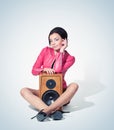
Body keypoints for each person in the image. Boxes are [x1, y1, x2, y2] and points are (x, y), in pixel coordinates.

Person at [20, 27, 79, 121]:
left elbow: (58, 71)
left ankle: (46, 111)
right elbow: (34, 71)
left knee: (74, 85)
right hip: (44, 91)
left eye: (56, 39)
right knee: (24, 90)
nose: (53, 43)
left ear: (64, 40)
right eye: (51, 40)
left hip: (61, 94)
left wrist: (61, 52)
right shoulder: (45, 51)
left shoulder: (70, 58)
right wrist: (44, 69)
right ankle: (54, 111)